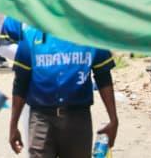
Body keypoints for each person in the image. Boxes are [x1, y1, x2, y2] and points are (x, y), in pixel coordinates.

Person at [7, 27, 118, 158]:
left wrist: (113, 119)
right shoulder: (31, 36)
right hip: (41, 120)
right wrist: (13, 125)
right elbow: (20, 83)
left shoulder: (91, 36)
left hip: (78, 121)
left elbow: (103, 77)